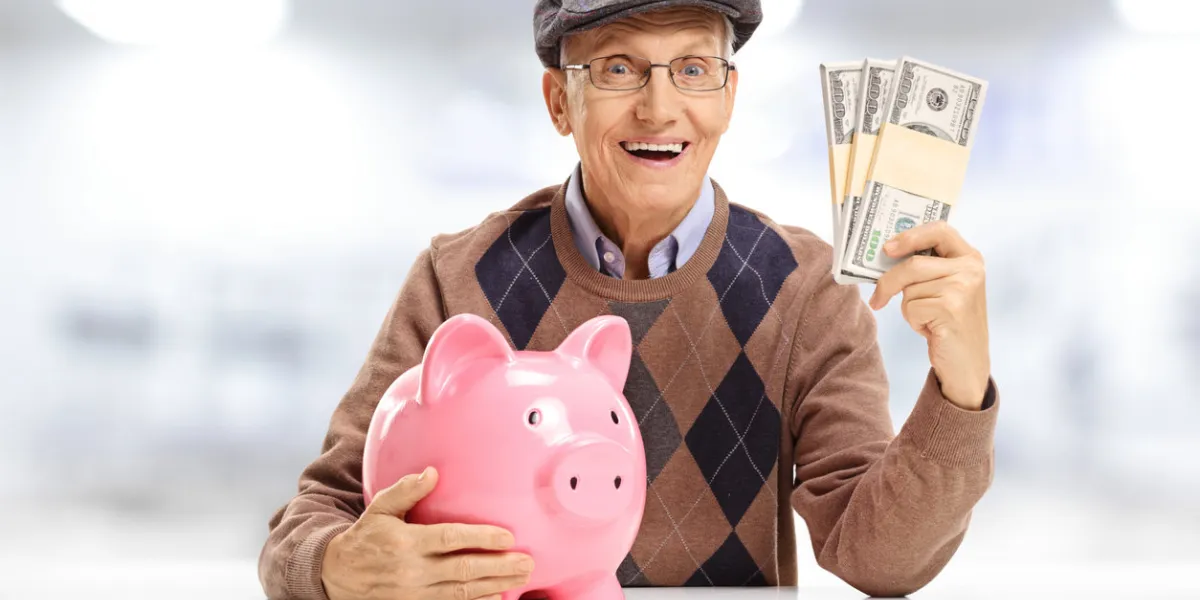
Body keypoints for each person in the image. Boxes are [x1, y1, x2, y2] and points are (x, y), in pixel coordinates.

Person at [258, 1, 1000, 599]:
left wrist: (961, 388)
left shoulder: (805, 288)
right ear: (559, 100)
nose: (659, 107)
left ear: (729, 96)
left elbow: (880, 561)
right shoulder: (458, 278)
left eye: (693, 68)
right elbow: (312, 521)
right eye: (619, 68)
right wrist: (335, 565)